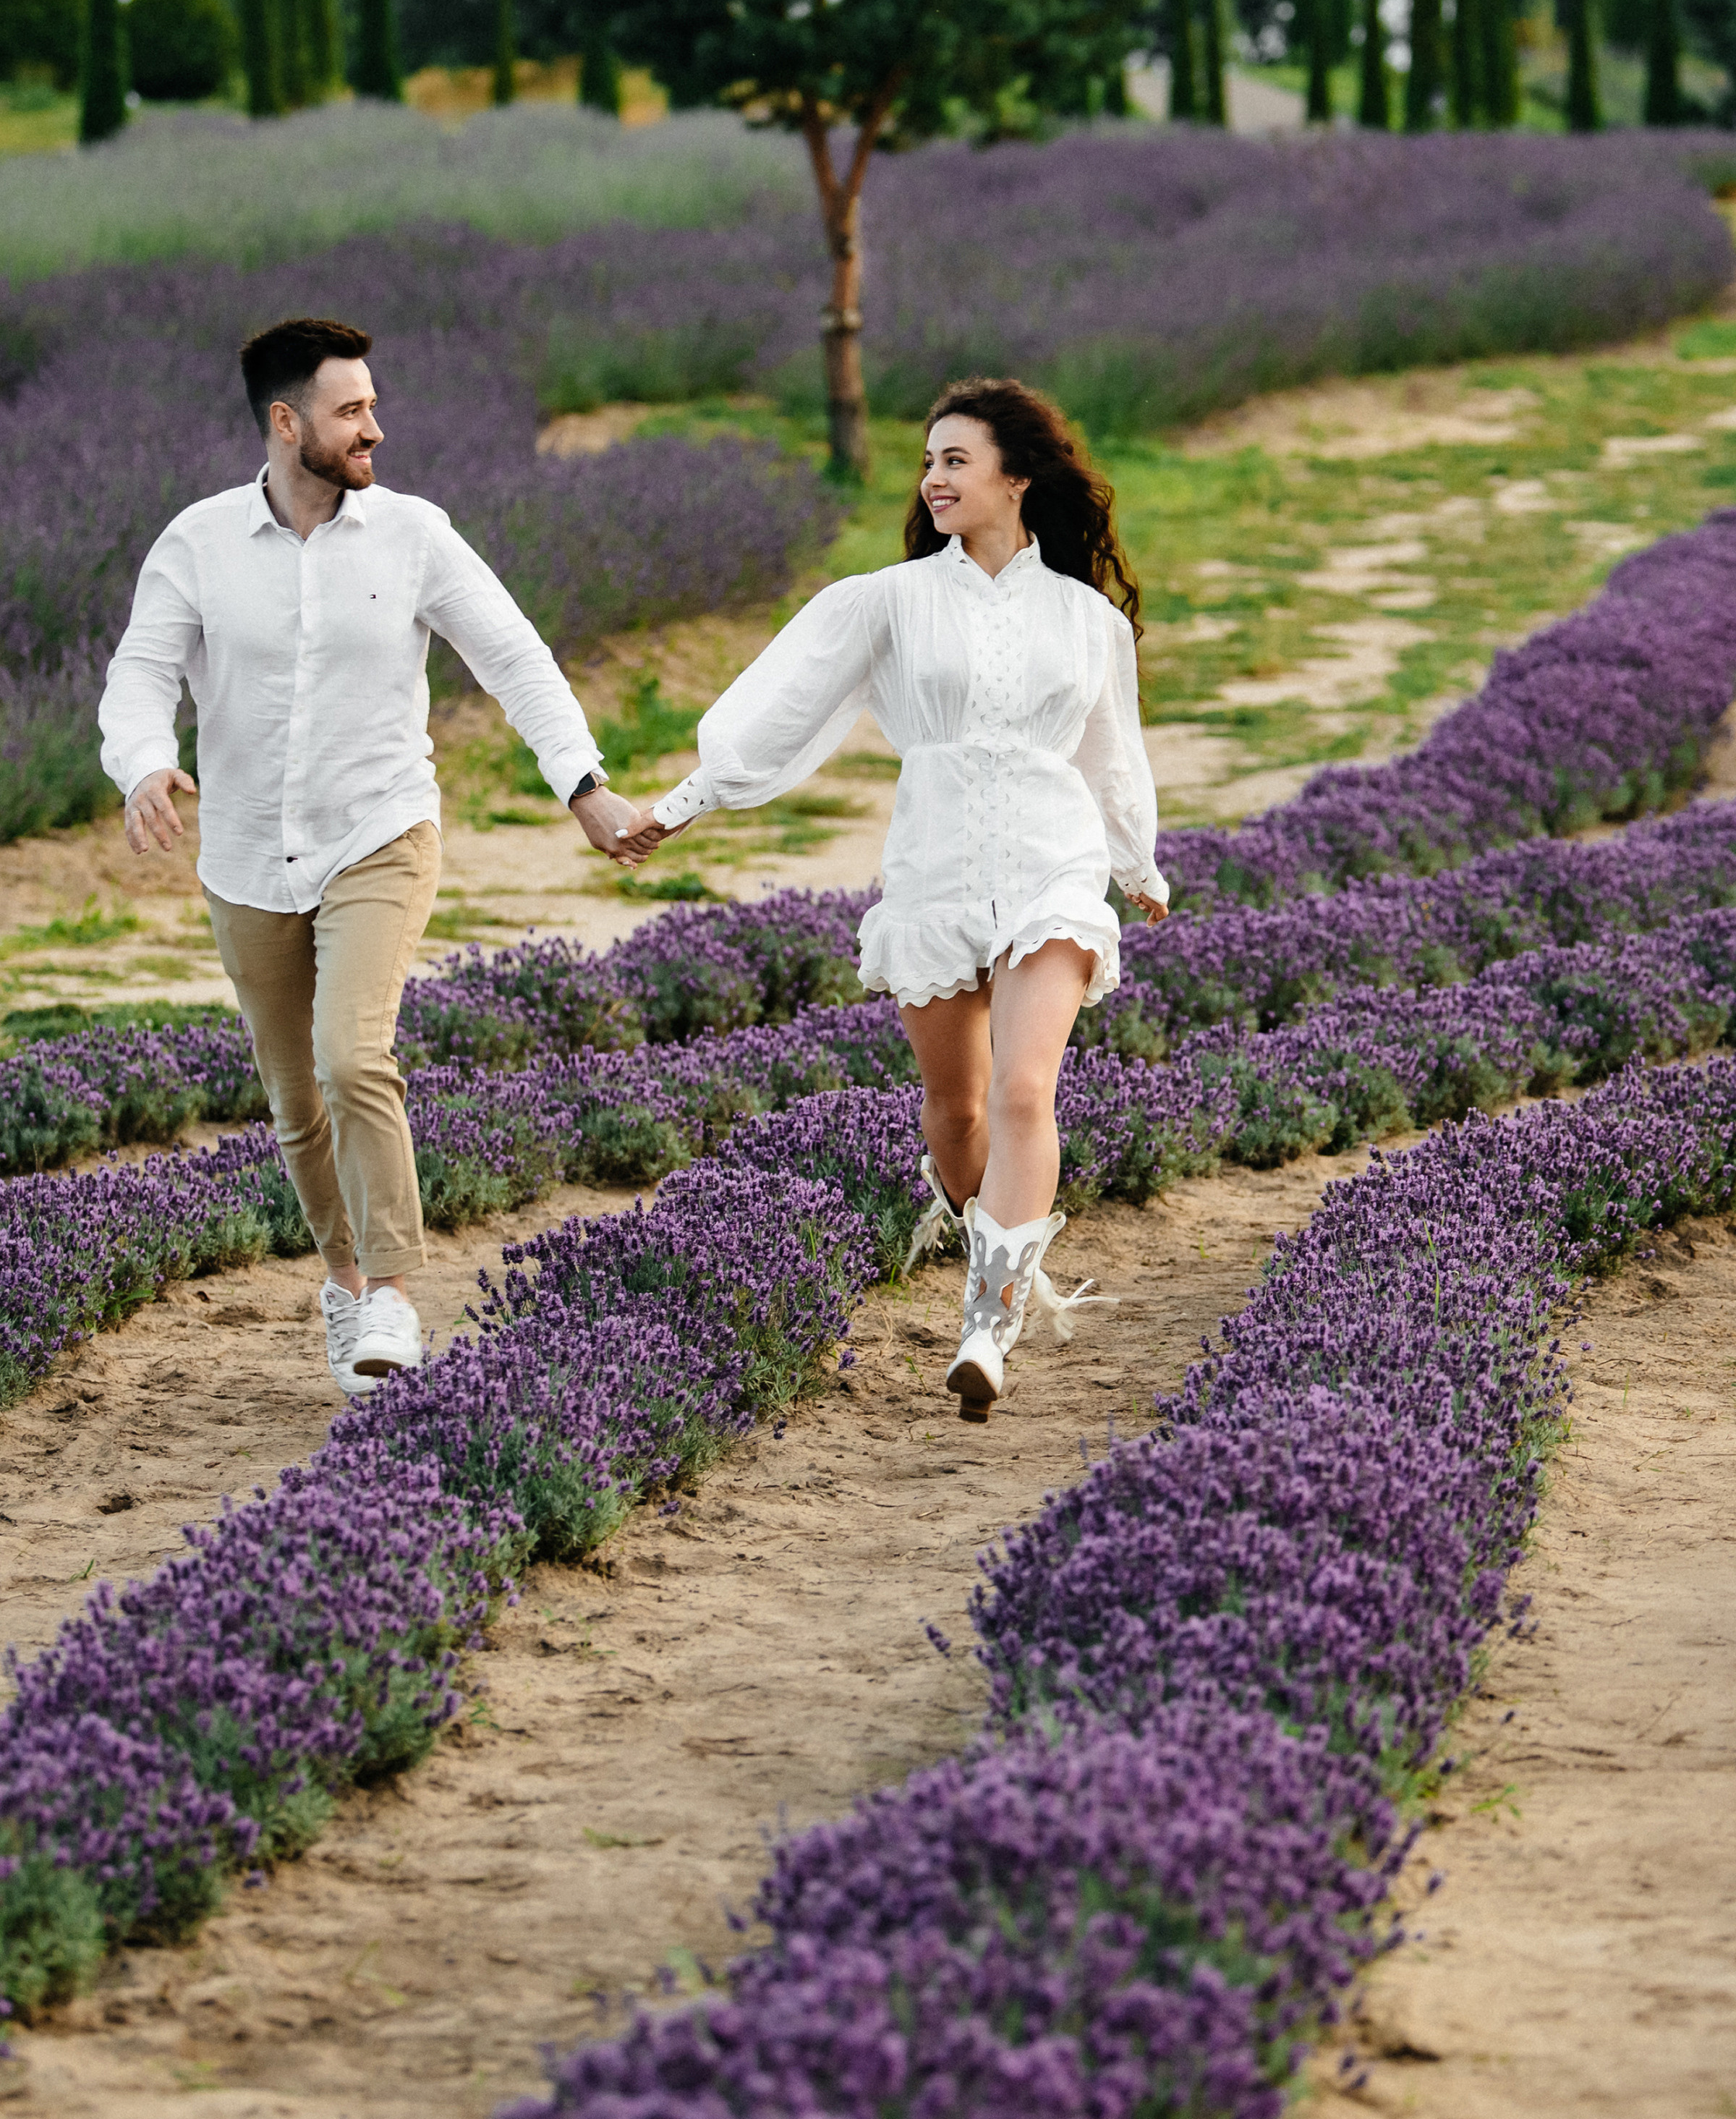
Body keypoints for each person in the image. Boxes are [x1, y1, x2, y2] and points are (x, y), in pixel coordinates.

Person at [98, 315, 646, 1398]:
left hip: (381, 833)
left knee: (355, 1056)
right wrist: (144, 765)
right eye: (352, 410)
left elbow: (517, 659)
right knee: (296, 1099)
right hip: (249, 853)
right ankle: (343, 1281)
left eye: (374, 406)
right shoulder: (198, 543)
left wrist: (583, 785)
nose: (375, 429)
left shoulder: (416, 536)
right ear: (286, 420)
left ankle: (393, 1287)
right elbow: (138, 674)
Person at [624, 375, 1169, 1421]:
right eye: (928, 462)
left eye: (955, 460)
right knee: (960, 1111)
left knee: (1022, 1094)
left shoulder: (1090, 618)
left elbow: (1111, 753)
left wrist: (1135, 866)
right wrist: (686, 801)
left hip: (1052, 868)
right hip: (936, 868)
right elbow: (779, 706)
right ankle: (992, 1248)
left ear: (1018, 476)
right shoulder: (889, 600)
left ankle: (989, 1324)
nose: (933, 479)